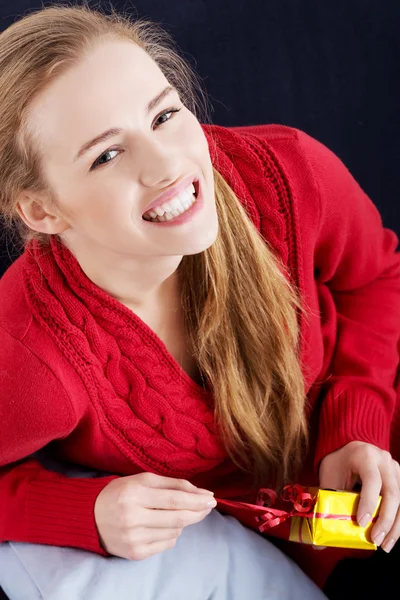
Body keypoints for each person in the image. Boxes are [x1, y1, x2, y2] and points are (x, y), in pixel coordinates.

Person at [0, 4, 399, 599]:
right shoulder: (31, 356)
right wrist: (84, 511)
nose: (168, 165)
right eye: (107, 155)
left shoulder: (290, 174)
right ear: (41, 210)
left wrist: (357, 424)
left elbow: (376, 276)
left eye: (163, 115)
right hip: (263, 559)